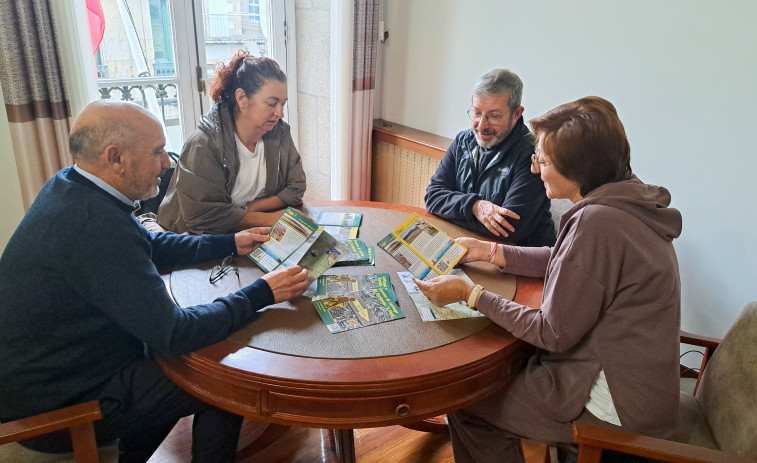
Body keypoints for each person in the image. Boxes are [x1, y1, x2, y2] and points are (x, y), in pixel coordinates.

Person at [0, 100, 309, 463]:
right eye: (158, 152)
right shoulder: (95, 227)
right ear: (115, 158)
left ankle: (134, 453)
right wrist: (262, 292)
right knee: (229, 381)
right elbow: (174, 333)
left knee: (201, 356)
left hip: (58, 372)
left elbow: (150, 243)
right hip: (61, 408)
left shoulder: (72, 186)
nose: (168, 163)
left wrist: (229, 242)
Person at [414, 97, 682, 462]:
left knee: (466, 402)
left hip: (612, 403)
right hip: (642, 384)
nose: (536, 169)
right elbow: (565, 259)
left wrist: (472, 294)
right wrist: (489, 251)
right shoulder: (624, 197)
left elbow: (552, 333)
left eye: (543, 161)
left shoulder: (599, 223)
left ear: (578, 169)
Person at [158, 51, 306, 234]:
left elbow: (296, 187)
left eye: (282, 104)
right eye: (271, 103)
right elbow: (202, 217)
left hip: (245, 232)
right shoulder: (203, 145)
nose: (280, 113)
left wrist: (251, 208)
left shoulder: (280, 132)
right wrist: (269, 218)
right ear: (242, 98)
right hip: (192, 240)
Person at [424, 69, 555, 247]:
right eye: (477, 113)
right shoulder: (463, 141)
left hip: (520, 261)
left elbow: (509, 229)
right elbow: (432, 197)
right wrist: (474, 206)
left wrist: (451, 210)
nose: (482, 125)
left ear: (516, 114)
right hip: (468, 246)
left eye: (494, 116)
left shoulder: (532, 153)